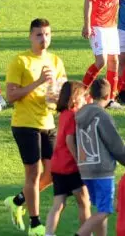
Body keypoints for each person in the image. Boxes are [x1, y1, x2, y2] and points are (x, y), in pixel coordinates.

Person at [3, 18, 67, 236]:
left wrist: (58, 97)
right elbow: (10, 96)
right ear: (30, 36)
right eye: (39, 35)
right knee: (33, 173)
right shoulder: (20, 61)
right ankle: (35, 224)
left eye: (47, 34)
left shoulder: (56, 61)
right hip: (25, 124)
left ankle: (17, 201)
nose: (44, 39)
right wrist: (38, 82)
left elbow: (61, 93)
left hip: (48, 122)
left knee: (53, 173)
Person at [75, 78, 125, 236]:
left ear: (90, 94)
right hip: (102, 170)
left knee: (99, 209)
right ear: (108, 96)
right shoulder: (102, 116)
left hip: (85, 168)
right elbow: (114, 143)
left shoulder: (79, 115)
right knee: (105, 210)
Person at [45, 81, 91, 236]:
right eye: (83, 96)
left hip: (57, 166)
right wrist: (79, 160)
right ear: (75, 98)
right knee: (84, 202)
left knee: (58, 204)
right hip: (70, 166)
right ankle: (86, 233)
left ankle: (49, 233)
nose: (85, 98)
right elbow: (69, 140)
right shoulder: (72, 115)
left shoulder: (64, 114)